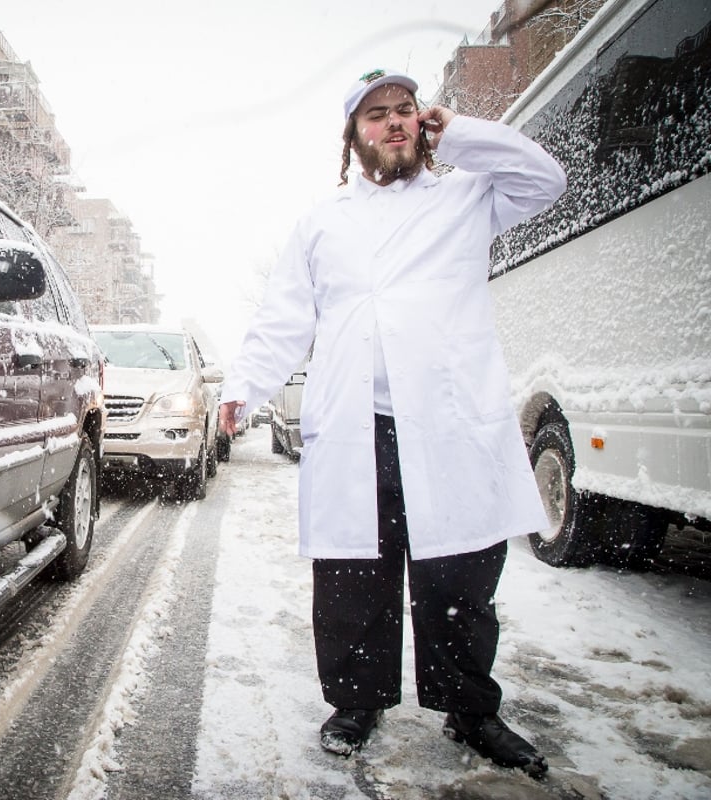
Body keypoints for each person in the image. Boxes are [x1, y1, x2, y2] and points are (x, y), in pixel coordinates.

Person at [216, 68, 566, 779]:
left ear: (423, 122)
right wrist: (242, 388)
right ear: (353, 137)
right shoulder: (322, 223)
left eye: (405, 110)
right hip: (358, 429)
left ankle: (471, 710)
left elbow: (546, 179)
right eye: (376, 115)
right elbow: (285, 317)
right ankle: (357, 701)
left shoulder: (468, 197)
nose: (394, 122)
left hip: (447, 427)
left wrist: (459, 132)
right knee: (354, 578)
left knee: (459, 580)